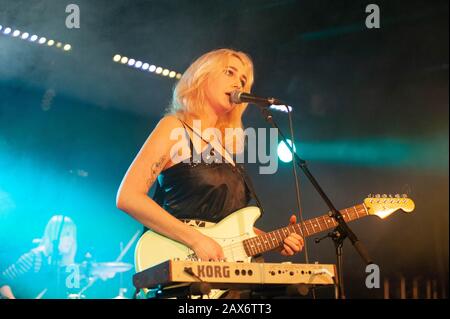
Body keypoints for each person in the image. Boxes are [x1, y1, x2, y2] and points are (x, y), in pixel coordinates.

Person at [116, 48, 304, 296]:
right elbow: (128, 196)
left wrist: (275, 239)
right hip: (184, 268)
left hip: (227, 281)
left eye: (244, 79)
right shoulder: (175, 127)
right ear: (202, 76)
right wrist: (196, 239)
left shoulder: (227, 149)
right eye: (229, 72)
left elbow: (224, 229)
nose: (239, 82)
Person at [0, 215, 78, 299]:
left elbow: (72, 292)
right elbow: (2, 280)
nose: (71, 240)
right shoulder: (34, 257)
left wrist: (71, 264)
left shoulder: (66, 264)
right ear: (54, 235)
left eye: (73, 235)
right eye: (67, 234)